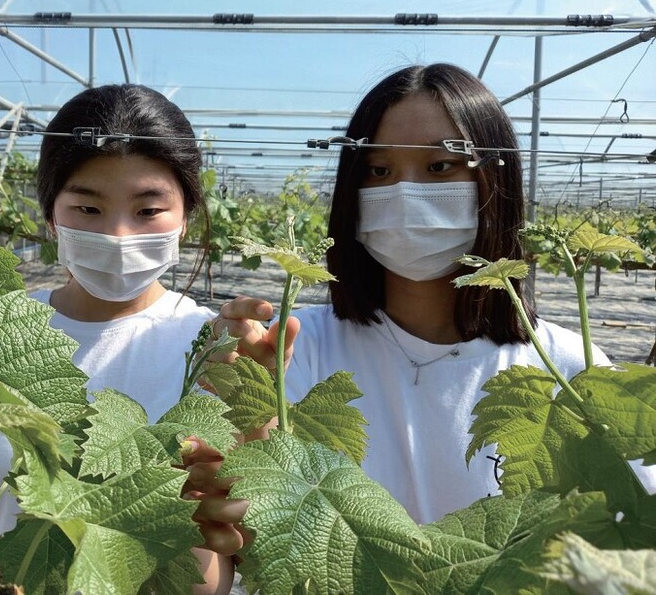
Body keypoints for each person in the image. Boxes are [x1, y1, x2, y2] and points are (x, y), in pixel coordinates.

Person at [212, 62, 654, 525]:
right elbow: (253, 517)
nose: (405, 192)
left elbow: (632, 533)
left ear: (497, 182)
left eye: (440, 166)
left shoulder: (569, 369)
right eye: (379, 170)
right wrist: (244, 397)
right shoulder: (290, 349)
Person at [0, 84, 238, 594]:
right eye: (88, 209)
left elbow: (210, 566)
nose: (119, 235)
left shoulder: (213, 347)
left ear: (186, 216)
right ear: (50, 215)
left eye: (148, 210)